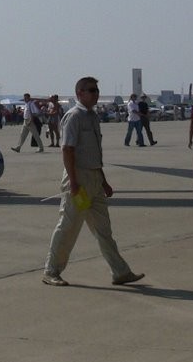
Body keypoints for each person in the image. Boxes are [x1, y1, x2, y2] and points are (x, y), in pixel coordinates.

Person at [41, 76, 143, 287]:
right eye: (91, 90)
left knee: (103, 230)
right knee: (68, 227)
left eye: (96, 90)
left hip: (94, 179)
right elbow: (67, 150)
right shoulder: (74, 117)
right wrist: (74, 182)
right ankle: (51, 271)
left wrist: (103, 181)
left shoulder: (92, 117)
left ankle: (120, 272)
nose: (96, 93)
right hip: (78, 179)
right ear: (80, 93)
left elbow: (94, 152)